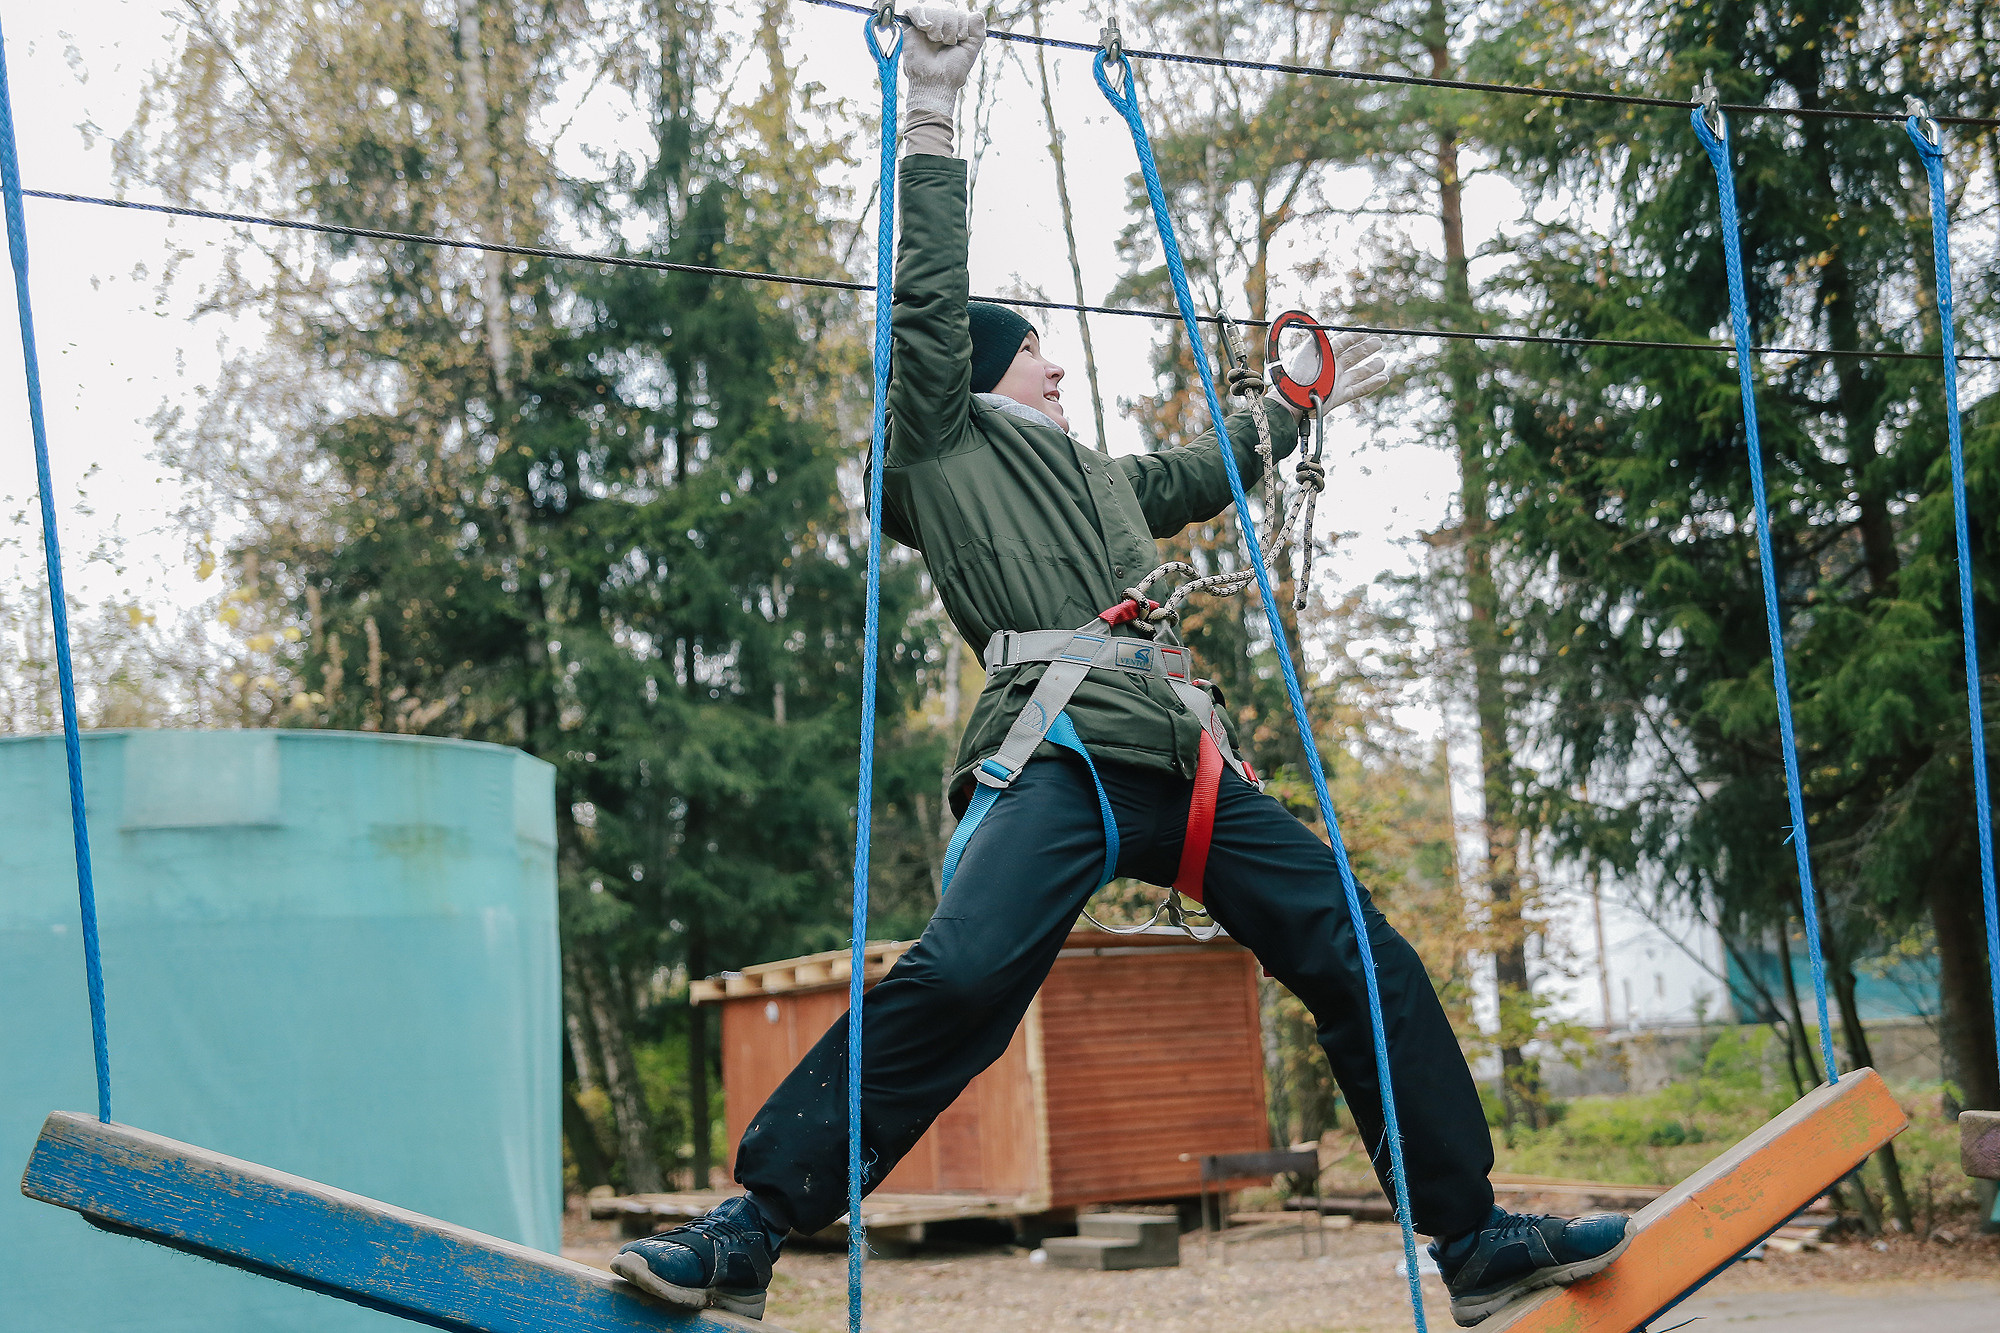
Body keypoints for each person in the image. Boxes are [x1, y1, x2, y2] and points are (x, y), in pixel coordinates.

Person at [610, 7, 1632, 1326]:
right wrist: (933, 107)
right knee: (965, 976)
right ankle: (751, 1228)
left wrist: (1292, 409)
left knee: (1357, 947)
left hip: (1175, 755)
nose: (1062, 364)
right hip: (1057, 749)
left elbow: (1197, 473)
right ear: (984, 376)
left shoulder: (1099, 476)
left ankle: (1477, 1240)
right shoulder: (938, 441)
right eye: (1042, 351)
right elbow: (925, 303)